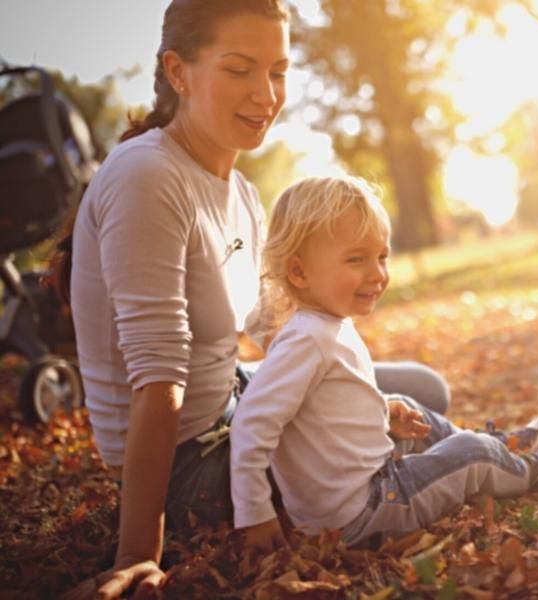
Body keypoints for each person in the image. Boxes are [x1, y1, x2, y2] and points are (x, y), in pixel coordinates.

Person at [61, 1, 449, 598]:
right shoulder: (147, 177)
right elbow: (159, 378)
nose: (265, 94)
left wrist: (359, 397)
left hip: (234, 398)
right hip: (184, 461)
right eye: (240, 69)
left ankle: (451, 445)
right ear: (179, 72)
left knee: (420, 391)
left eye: (277, 70)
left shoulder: (240, 191)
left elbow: (275, 327)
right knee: (395, 422)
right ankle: (487, 460)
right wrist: (138, 550)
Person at [230, 175, 538, 552]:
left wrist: (381, 415)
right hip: (363, 512)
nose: (377, 274)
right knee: (469, 455)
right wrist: (255, 513)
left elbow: (329, 413)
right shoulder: (306, 340)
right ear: (299, 272)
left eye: (381, 256)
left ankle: (501, 447)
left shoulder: (324, 325)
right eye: (356, 259)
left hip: (364, 482)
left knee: (405, 407)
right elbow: (251, 424)